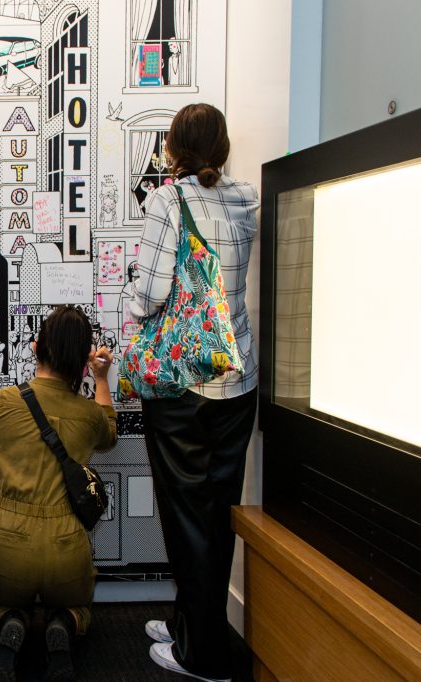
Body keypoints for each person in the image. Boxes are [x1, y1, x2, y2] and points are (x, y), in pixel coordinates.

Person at [130, 103, 259, 682]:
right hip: (239, 379)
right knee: (217, 509)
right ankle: (191, 622)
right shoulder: (248, 200)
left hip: (183, 383)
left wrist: (126, 314)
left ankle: (201, 654)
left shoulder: (166, 201)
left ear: (172, 149)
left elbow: (151, 293)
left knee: (185, 514)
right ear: (224, 147)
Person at [0, 306, 116, 682]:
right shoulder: (87, 415)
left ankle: (9, 622)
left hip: (5, 541)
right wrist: (100, 379)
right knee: (77, 606)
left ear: (35, 347)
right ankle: (64, 624)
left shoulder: (0, 403)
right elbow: (110, 434)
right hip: (65, 544)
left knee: (0, 605)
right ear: (82, 360)